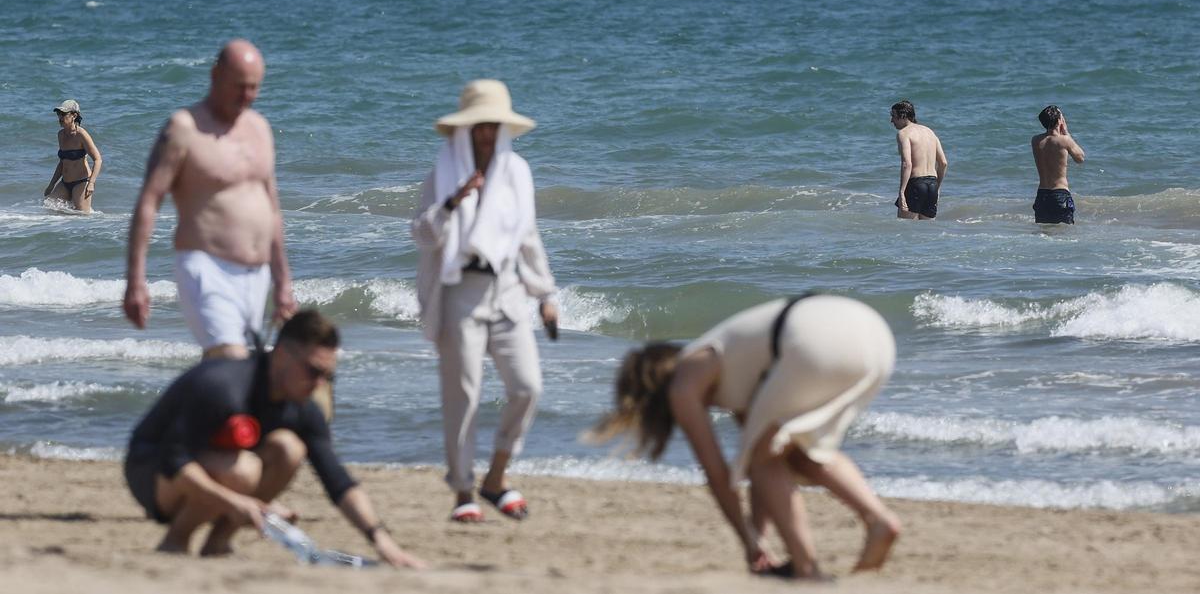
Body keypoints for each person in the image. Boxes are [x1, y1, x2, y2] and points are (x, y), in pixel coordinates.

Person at [591, 294, 900, 580]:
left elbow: (718, 473)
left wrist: (750, 542)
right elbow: (761, 457)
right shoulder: (741, 368)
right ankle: (877, 519)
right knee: (795, 454)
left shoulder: (685, 378)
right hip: (874, 338)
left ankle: (807, 568)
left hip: (814, 340)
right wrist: (760, 535)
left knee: (764, 457)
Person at [123, 309, 425, 568]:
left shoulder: (304, 409)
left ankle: (217, 544)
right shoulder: (223, 386)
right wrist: (240, 502)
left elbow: (338, 481)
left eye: (328, 377)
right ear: (281, 356)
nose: (319, 384)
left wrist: (382, 541)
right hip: (151, 471)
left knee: (289, 448)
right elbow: (174, 458)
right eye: (312, 371)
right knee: (242, 471)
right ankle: (175, 542)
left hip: (212, 468)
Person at [412, 79, 559, 523]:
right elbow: (421, 233)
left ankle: (496, 477)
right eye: (478, 126)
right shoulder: (443, 173)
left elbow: (527, 238)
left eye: (493, 126)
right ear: (464, 129)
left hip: (508, 290)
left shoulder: (517, 172)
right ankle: (462, 491)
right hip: (461, 291)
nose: (485, 134)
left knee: (527, 386)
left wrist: (545, 294)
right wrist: (454, 202)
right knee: (464, 396)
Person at [123, 39, 297, 359]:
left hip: (256, 275)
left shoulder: (260, 128)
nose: (247, 96)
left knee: (234, 375)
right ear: (215, 76)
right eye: (239, 86)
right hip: (205, 267)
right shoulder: (184, 129)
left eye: (255, 87)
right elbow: (149, 202)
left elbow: (272, 208)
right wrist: (136, 281)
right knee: (232, 361)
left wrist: (283, 281)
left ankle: (192, 409)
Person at [890, 100, 948, 220]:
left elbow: (907, 164)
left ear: (903, 116)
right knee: (926, 233)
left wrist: (901, 192)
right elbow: (943, 163)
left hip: (916, 184)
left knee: (905, 231)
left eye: (894, 116)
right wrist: (937, 188)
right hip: (932, 185)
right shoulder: (930, 132)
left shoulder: (903, 134)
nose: (892, 121)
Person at [44, 99, 103, 212]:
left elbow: (98, 159)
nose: (60, 118)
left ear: (74, 115)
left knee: (82, 217)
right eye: (58, 114)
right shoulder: (60, 135)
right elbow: (62, 162)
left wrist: (91, 183)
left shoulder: (81, 134)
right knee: (49, 208)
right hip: (65, 182)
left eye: (63, 114)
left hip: (81, 182)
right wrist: (51, 184)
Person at [1031, 104, 1085, 224]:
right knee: (1065, 237)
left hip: (1042, 196)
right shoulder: (1064, 140)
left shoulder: (1035, 140)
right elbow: (1080, 158)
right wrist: (1066, 132)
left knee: (1044, 234)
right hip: (1060, 195)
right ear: (1060, 120)